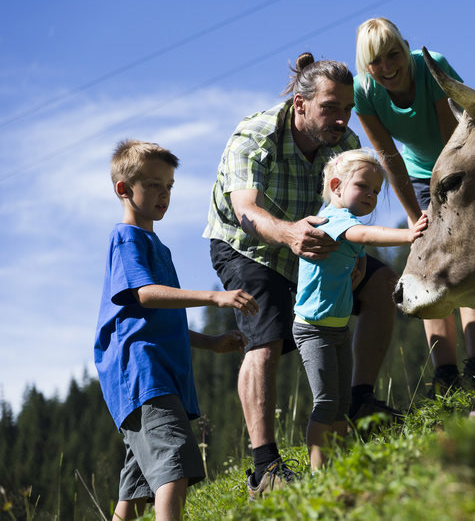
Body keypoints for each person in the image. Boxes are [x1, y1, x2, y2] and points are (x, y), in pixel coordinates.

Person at [203, 53, 401, 498]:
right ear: (300, 104)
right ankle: (264, 466)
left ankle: (359, 404)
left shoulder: (344, 142)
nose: (341, 118)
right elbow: (246, 211)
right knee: (265, 335)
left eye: (347, 108)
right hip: (249, 244)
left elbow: (354, 210)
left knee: (383, 285)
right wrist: (289, 234)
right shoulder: (254, 135)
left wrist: (359, 261)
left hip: (315, 245)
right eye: (331, 107)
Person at [94, 140, 259, 521]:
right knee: (175, 468)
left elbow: (157, 319)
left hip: (159, 375)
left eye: (169, 185)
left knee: (135, 493)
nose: (163, 194)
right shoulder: (127, 239)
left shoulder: (156, 245)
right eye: (152, 184)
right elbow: (145, 295)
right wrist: (213, 298)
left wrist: (211, 343)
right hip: (144, 376)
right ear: (123, 189)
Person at [354, 18, 475, 396]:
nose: (386, 67)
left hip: (463, 161)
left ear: (405, 48)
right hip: (419, 175)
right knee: (427, 262)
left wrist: (455, 200)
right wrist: (418, 219)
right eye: (375, 62)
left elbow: (455, 142)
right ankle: (446, 377)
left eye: (393, 54)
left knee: (467, 258)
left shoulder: (430, 66)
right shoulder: (364, 91)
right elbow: (390, 158)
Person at [293, 149, 427, 471]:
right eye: (363, 187)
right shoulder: (334, 219)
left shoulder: (343, 221)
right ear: (337, 185)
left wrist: (361, 260)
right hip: (314, 330)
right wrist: (409, 234)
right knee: (326, 404)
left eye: (376, 191)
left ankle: (339, 467)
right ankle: (317, 473)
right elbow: (363, 234)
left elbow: (357, 244)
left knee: (340, 406)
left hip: (337, 328)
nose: (371, 195)